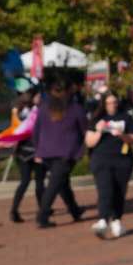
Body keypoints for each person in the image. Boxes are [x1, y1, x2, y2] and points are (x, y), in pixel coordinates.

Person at [33, 79, 88, 227]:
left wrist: (38, 149)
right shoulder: (75, 108)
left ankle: (75, 210)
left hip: (47, 152)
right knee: (54, 185)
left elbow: (36, 131)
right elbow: (84, 130)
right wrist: (83, 149)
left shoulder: (44, 108)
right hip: (66, 152)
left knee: (61, 183)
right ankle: (42, 216)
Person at [84, 89, 133, 242]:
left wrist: (122, 135)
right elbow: (89, 141)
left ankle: (116, 220)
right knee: (105, 188)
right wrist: (99, 131)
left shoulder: (126, 117)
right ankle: (103, 219)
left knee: (119, 191)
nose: (112, 106)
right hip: (101, 159)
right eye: (108, 103)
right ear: (103, 104)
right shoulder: (96, 119)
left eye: (114, 102)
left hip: (122, 160)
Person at [6, 90, 41, 223]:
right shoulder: (28, 113)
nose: (39, 98)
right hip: (29, 151)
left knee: (31, 181)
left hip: (26, 152)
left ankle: (16, 210)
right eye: (37, 96)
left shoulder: (23, 112)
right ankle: (40, 209)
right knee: (33, 181)